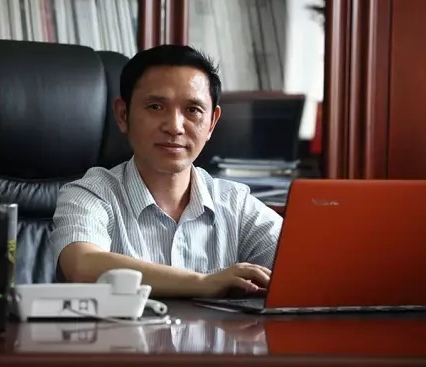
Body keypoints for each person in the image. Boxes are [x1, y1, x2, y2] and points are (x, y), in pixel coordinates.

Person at [49, 45, 283, 297]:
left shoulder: (236, 204)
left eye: (192, 110)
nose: (174, 127)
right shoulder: (91, 194)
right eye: (156, 107)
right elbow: (82, 266)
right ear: (123, 115)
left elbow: (304, 266)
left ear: (212, 123)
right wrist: (203, 283)